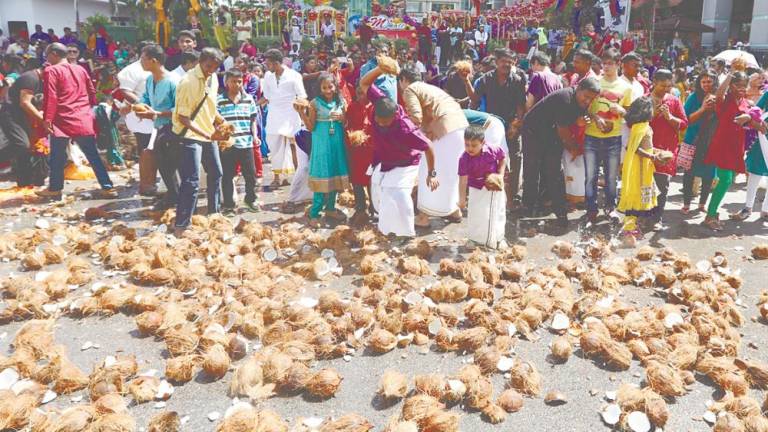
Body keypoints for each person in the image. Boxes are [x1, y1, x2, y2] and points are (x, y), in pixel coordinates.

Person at [359, 57, 439, 238]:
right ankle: (386, 229)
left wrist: (432, 173)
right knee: (381, 193)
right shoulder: (380, 102)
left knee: (400, 195)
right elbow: (364, 83)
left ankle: (406, 233)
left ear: (394, 116)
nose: (381, 123)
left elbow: (428, 146)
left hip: (407, 162)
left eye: (385, 122)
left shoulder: (405, 128)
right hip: (385, 158)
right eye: (378, 120)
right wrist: (380, 69)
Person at [37, 43, 115, 199]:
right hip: (82, 118)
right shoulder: (81, 69)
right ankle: (107, 187)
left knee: (57, 157)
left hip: (62, 119)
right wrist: (88, 109)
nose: (46, 59)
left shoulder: (51, 70)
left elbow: (51, 97)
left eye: (47, 55)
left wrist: (47, 119)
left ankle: (55, 188)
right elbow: (92, 92)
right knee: (93, 155)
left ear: (54, 54)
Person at [521, 78, 601, 227]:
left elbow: (579, 117)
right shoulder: (565, 98)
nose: (588, 100)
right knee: (532, 169)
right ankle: (528, 207)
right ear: (578, 88)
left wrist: (590, 119)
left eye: (592, 98)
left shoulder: (580, 101)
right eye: (586, 96)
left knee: (555, 172)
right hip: (533, 131)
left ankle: (559, 210)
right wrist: (574, 148)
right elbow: (563, 131)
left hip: (551, 133)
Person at [395, 65, 468, 228]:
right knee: (450, 173)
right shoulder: (429, 87)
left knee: (427, 169)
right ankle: (454, 211)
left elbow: (416, 118)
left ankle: (423, 217)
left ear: (403, 80)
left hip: (444, 129)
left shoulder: (410, 89)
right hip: (460, 127)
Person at [172, 47, 227, 235]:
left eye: (215, 67)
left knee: (217, 173)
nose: (211, 70)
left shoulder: (213, 79)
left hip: (207, 132)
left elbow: (209, 107)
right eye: (208, 66)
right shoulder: (188, 82)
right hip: (190, 135)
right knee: (192, 181)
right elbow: (183, 118)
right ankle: (182, 224)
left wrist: (222, 121)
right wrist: (206, 135)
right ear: (200, 62)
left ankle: (214, 214)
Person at [703, 71, 765, 230]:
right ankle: (710, 216)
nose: (742, 89)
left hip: (737, 146)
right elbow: (719, 93)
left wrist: (750, 118)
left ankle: (713, 212)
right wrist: (730, 75)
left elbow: (756, 123)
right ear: (731, 86)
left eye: (744, 86)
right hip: (723, 145)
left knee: (726, 180)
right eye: (738, 86)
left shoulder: (746, 103)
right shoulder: (724, 100)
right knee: (725, 180)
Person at [470, 48, 526, 207]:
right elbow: (474, 101)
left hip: (511, 126)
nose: (507, 64)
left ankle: (512, 197)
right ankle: (488, 194)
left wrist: (517, 124)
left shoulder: (517, 80)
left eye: (510, 62)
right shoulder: (485, 79)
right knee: (489, 160)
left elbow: (521, 105)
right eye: (504, 61)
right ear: (496, 62)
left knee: (515, 160)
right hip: (491, 125)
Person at [294, 72, 349, 227]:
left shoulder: (341, 102)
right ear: (320, 88)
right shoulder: (314, 103)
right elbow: (311, 127)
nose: (327, 90)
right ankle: (314, 213)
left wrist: (342, 118)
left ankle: (330, 208)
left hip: (337, 144)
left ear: (335, 86)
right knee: (322, 174)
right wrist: (301, 113)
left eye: (330, 87)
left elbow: (346, 123)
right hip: (321, 144)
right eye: (324, 87)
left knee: (335, 175)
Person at [583, 48, 632, 223]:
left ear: (619, 64)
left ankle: (610, 208)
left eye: (610, 63)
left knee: (612, 176)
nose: (606, 67)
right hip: (591, 136)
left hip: (614, 137)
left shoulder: (626, 87)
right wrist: (595, 117)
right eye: (604, 63)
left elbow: (630, 113)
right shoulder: (594, 82)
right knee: (591, 176)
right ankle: (591, 208)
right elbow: (584, 105)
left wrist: (622, 110)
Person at [132, 44, 181, 211]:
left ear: (153, 61)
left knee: (173, 164)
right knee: (163, 165)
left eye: (143, 59)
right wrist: (141, 107)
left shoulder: (173, 81)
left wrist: (157, 113)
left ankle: (179, 198)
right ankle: (174, 195)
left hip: (175, 128)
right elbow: (145, 98)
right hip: (160, 127)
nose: (141, 62)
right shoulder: (150, 80)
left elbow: (181, 109)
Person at [648, 69, 687, 229]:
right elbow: (633, 123)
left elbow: (684, 123)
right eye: (662, 85)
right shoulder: (645, 99)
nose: (665, 89)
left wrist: (669, 117)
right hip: (647, 149)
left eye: (668, 86)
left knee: (662, 185)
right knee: (645, 183)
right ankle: (644, 215)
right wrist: (653, 114)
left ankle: (657, 217)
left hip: (667, 150)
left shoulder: (673, 101)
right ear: (654, 81)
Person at [261, 49, 307, 187]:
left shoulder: (294, 75)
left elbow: (302, 96)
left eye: (268, 63)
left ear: (276, 63)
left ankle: (298, 179)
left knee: (294, 146)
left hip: (291, 114)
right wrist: (253, 103)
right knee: (274, 146)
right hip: (274, 115)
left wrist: (302, 112)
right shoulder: (268, 76)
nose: (266, 65)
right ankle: (277, 178)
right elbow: (267, 97)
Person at [217, 69, 260, 215]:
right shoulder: (219, 100)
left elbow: (253, 120)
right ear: (226, 82)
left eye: (239, 81)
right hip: (228, 145)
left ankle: (250, 199)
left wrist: (255, 135)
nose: (236, 84)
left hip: (246, 143)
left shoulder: (248, 99)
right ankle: (229, 205)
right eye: (233, 81)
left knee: (251, 175)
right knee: (228, 176)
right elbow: (215, 122)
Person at [617, 97, 659, 244]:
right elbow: (634, 148)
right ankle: (628, 230)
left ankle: (632, 226)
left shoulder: (638, 126)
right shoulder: (642, 127)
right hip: (640, 166)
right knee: (635, 197)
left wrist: (655, 152)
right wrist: (653, 156)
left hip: (641, 165)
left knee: (637, 196)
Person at [458, 125, 507, 249]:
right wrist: (462, 199)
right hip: (475, 187)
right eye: (467, 144)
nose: (470, 148)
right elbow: (463, 180)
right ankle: (475, 239)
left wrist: (500, 175)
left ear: (483, 142)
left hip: (493, 187)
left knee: (497, 212)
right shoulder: (464, 158)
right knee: (476, 214)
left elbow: (503, 158)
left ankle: (499, 238)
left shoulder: (492, 150)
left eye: (474, 145)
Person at [0, 65, 48, 187]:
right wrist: (43, 120)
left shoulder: (41, 80)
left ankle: (24, 182)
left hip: (23, 117)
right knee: (21, 144)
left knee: (27, 149)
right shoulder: (31, 78)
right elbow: (25, 102)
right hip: (11, 114)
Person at [117, 47, 155, 195]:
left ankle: (149, 181)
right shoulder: (131, 70)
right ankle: (146, 184)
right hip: (140, 116)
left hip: (153, 114)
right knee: (145, 149)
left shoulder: (154, 69)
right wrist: (141, 103)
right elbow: (124, 90)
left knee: (152, 150)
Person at [681, 70, 718, 214]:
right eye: (703, 82)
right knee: (689, 173)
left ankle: (702, 204)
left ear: (715, 82)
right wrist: (703, 109)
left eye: (709, 81)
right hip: (693, 140)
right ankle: (686, 204)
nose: (706, 84)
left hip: (711, 142)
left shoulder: (720, 97)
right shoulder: (693, 97)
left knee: (709, 174)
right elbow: (686, 120)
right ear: (699, 83)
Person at [345, 85, 374, 226]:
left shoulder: (374, 107)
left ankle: (374, 208)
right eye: (357, 93)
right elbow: (348, 125)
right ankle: (360, 208)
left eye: (362, 93)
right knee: (356, 181)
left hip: (370, 149)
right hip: (356, 150)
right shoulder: (352, 107)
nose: (359, 96)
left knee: (371, 180)